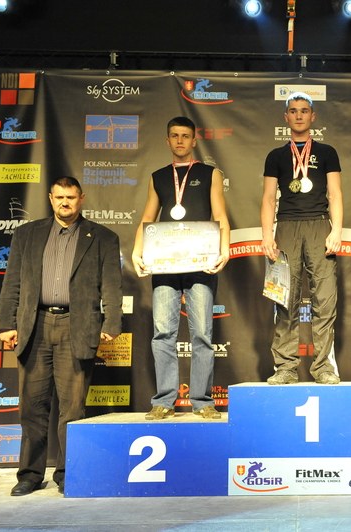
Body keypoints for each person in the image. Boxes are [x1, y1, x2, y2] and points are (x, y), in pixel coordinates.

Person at [0, 176, 123, 496]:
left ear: (81, 198)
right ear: (50, 199)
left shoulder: (103, 237)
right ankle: (29, 474)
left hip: (76, 327)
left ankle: (70, 473)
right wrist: (6, 323)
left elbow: (112, 284)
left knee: (73, 409)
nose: (65, 202)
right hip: (34, 325)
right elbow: (12, 282)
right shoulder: (26, 234)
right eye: (59, 197)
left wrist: (111, 323)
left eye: (71, 197)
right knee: (32, 406)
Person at [132, 116, 230, 420]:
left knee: (202, 333)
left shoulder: (210, 174)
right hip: (165, 263)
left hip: (201, 261)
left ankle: (202, 401)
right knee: (163, 332)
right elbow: (148, 219)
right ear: (167, 140)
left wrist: (225, 249)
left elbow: (220, 216)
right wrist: (137, 251)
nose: (179, 141)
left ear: (194, 140)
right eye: (174, 135)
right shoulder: (158, 177)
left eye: (185, 136)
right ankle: (164, 400)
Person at [260, 92, 343, 385]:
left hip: (320, 225)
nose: (298, 115)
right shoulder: (275, 156)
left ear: (313, 116)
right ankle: (285, 367)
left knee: (325, 300)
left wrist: (336, 230)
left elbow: (335, 194)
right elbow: (268, 198)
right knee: (284, 298)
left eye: (304, 110)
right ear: (286, 117)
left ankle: (324, 367)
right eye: (293, 110)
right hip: (286, 227)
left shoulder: (328, 152)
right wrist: (267, 235)